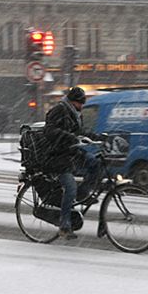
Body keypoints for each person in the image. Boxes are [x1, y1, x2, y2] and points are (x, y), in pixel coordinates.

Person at [43, 87, 101, 240]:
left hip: (72, 153)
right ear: (72, 101)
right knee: (70, 187)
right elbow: (49, 131)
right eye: (79, 103)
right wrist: (68, 137)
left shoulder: (76, 113)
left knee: (95, 163)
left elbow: (79, 132)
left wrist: (97, 136)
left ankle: (84, 193)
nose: (81, 107)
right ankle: (64, 225)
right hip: (57, 156)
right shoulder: (59, 110)